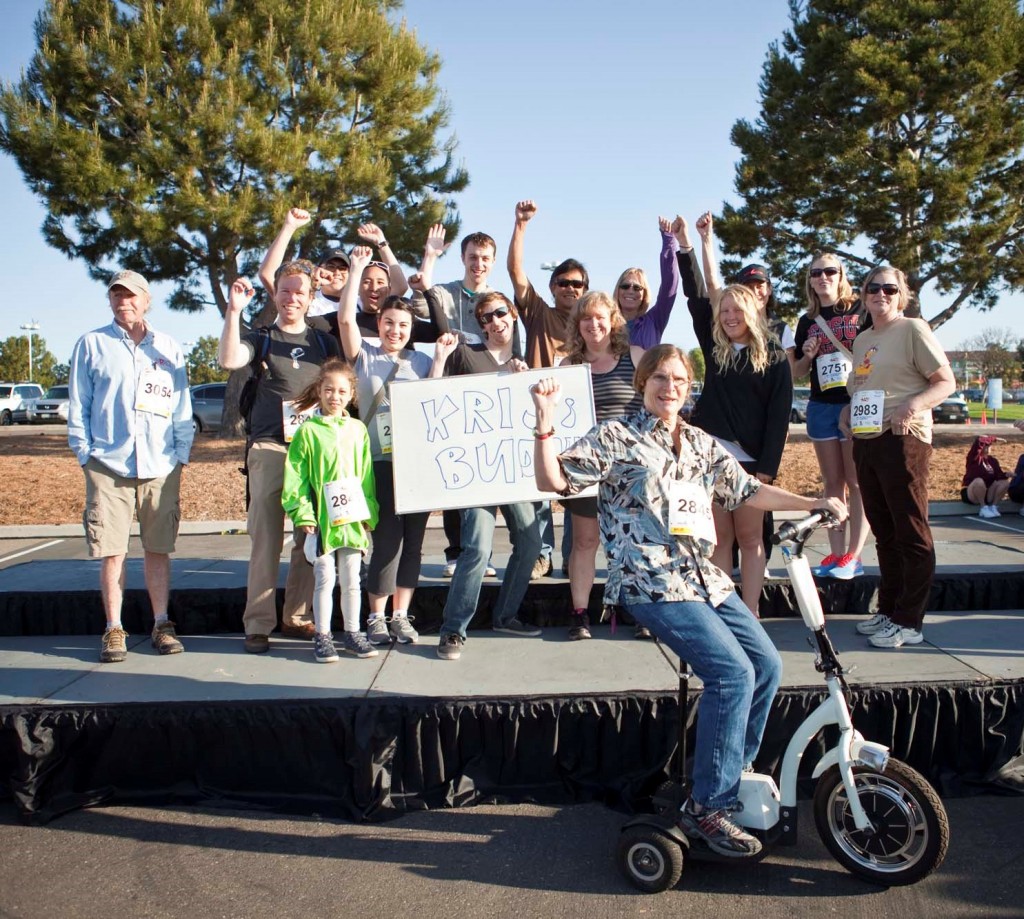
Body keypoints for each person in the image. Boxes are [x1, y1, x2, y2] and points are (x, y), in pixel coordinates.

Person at [531, 345, 846, 858]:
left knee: (765, 665)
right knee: (732, 674)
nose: (670, 387)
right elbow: (556, 480)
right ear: (642, 383)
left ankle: (729, 776)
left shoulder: (700, 443)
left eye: (679, 379)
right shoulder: (618, 436)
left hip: (706, 580)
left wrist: (812, 502)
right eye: (659, 377)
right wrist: (544, 422)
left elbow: (747, 491)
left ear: (690, 386)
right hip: (652, 579)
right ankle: (709, 806)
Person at [68, 269, 193, 663]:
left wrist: (180, 455)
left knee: (158, 548)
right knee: (112, 551)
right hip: (108, 463)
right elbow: (79, 404)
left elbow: (181, 407)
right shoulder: (92, 345)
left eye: (131, 295)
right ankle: (114, 629)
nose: (124, 301)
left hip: (160, 463)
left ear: (146, 300)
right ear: (110, 301)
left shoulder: (168, 347)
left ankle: (161, 623)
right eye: (117, 295)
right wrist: (85, 453)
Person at [218, 263, 343, 654]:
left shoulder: (324, 344)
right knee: (266, 540)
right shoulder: (262, 338)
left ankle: (297, 616)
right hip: (270, 448)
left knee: (309, 539)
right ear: (276, 295)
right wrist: (234, 312)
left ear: (310, 298)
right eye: (285, 291)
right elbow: (229, 359)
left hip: (312, 451)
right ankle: (258, 624)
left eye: (299, 293)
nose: (291, 299)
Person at [678, 216, 793, 616]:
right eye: (723, 311)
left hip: (751, 466)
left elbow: (779, 418)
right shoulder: (716, 350)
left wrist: (766, 470)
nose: (728, 316)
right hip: (711, 461)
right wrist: (692, 245)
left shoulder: (774, 356)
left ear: (750, 310)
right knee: (719, 540)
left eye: (735, 310)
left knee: (751, 539)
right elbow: (705, 289)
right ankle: (726, 610)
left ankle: (752, 611)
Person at [337, 246, 449, 646]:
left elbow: (435, 400)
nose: (395, 331)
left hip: (415, 464)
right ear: (379, 323)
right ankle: (376, 616)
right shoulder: (363, 356)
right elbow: (346, 318)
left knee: (415, 541)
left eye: (402, 325)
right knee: (386, 539)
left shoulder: (420, 362)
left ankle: (401, 613)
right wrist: (355, 270)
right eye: (388, 323)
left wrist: (439, 359)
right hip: (378, 462)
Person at [842, 265, 955, 648]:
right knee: (884, 532)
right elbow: (860, 384)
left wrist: (912, 406)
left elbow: (945, 381)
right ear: (863, 293)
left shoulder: (913, 329)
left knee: (910, 530)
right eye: (874, 288)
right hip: (867, 439)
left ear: (900, 294)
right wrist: (848, 409)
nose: (881, 294)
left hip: (904, 438)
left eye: (890, 289)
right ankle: (889, 610)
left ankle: (910, 619)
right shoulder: (863, 339)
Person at [428, 292, 544, 661]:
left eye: (499, 314)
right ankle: (453, 630)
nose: (493, 322)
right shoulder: (466, 354)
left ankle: (505, 615)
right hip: (476, 470)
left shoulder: (524, 361)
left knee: (529, 542)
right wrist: (440, 358)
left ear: (512, 315)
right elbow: (438, 399)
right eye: (484, 318)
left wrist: (523, 384)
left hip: (513, 470)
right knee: (476, 547)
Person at [409, 228, 506, 578]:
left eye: (484, 258)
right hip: (449, 393)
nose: (478, 264)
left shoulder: (498, 300)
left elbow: (509, 340)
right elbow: (420, 303)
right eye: (472, 257)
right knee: (454, 474)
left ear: (492, 262)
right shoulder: (446, 292)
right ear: (463, 259)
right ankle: (455, 551)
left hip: (486, 397)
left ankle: (482, 551)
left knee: (484, 478)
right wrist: (430, 256)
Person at [507, 198, 590, 579]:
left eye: (578, 284)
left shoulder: (594, 326)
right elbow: (516, 272)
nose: (571, 289)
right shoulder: (539, 312)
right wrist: (521, 226)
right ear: (553, 286)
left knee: (577, 486)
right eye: (564, 283)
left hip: (579, 421)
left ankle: (574, 556)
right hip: (539, 414)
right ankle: (542, 554)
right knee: (539, 487)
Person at [558, 291, 645, 640]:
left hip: (630, 468)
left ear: (612, 321)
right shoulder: (567, 367)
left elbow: (654, 406)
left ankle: (642, 610)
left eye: (600, 318)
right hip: (586, 469)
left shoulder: (635, 357)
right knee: (585, 541)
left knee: (633, 542)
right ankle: (580, 613)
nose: (593, 325)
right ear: (577, 326)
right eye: (586, 319)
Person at [282, 357, 380, 661]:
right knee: (324, 577)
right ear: (319, 391)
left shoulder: (358, 430)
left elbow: (366, 475)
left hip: (351, 518)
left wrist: (369, 513)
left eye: (341, 391)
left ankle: (353, 633)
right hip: (323, 520)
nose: (334, 397)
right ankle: (322, 635)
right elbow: (296, 475)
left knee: (352, 578)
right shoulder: (308, 432)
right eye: (328, 390)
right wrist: (303, 513)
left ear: (351, 394)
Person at [793, 252, 870, 579]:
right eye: (816, 273)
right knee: (832, 484)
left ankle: (854, 555)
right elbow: (796, 372)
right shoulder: (807, 321)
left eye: (830, 271)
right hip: (822, 405)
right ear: (810, 280)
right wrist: (808, 356)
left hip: (854, 403)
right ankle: (836, 555)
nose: (823, 277)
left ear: (841, 276)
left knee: (856, 482)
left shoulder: (859, 309)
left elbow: (874, 355)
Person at [613, 217, 680, 348]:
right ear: (618, 290)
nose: (630, 291)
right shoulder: (605, 323)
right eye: (625, 286)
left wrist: (669, 240)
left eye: (637, 287)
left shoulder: (654, 320)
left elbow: (669, 285)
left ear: (645, 294)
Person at [961, 435, 1010, 517]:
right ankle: (983, 508)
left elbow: (998, 476)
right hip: (972, 492)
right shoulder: (974, 458)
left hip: (987, 492)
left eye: (989, 446)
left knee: (1005, 483)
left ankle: (993, 507)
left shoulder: (993, 461)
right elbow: (979, 442)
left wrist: (1006, 474)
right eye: (985, 446)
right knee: (979, 481)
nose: (988, 448)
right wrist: (994, 438)